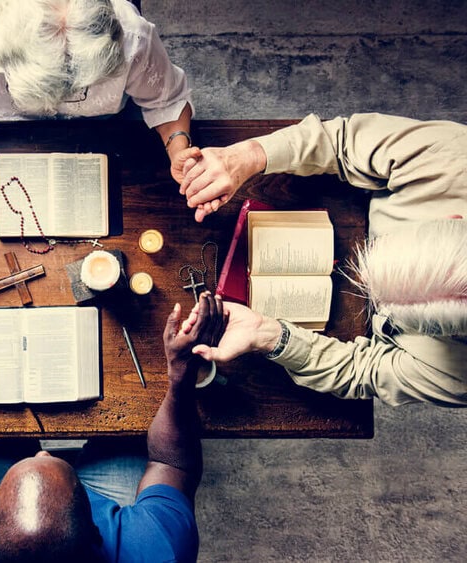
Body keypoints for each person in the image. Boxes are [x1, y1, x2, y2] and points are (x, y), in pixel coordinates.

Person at [0, 294, 226, 562]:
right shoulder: (159, 550)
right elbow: (172, 464)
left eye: (37, 457)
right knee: (130, 437)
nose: (44, 451)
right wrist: (181, 376)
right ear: (96, 533)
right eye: (48, 457)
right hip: (112, 524)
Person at [178, 112, 467, 406]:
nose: (360, 276)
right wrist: (247, 156)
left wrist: (269, 335)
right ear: (451, 220)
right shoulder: (455, 157)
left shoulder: (457, 378)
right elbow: (341, 142)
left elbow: (362, 372)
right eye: (387, 248)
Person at [0, 0, 194, 230]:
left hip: (106, 131)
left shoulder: (132, 34)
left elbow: (166, 100)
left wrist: (178, 148)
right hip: (7, 134)